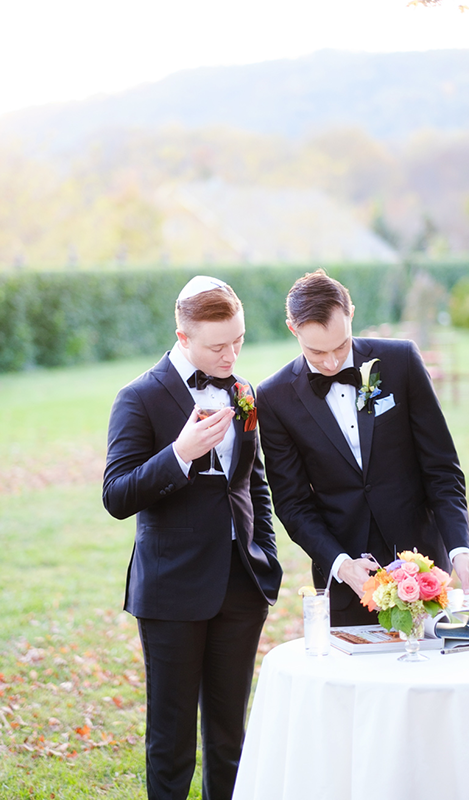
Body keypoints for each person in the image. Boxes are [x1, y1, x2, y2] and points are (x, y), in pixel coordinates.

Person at [103, 275, 282, 800]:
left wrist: (264, 553)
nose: (232, 355)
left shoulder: (243, 392)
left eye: (240, 340)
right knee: (172, 738)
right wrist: (179, 453)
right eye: (218, 345)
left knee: (230, 737)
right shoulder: (138, 397)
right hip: (172, 591)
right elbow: (116, 496)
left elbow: (254, 481)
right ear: (183, 338)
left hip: (241, 585)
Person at [257, 269, 469, 627]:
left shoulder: (401, 361)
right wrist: (341, 565)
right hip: (348, 580)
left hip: (425, 571)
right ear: (292, 329)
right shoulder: (274, 398)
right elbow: (293, 503)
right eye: (316, 351)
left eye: (340, 346)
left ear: (351, 315)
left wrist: (460, 549)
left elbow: (441, 469)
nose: (332, 363)